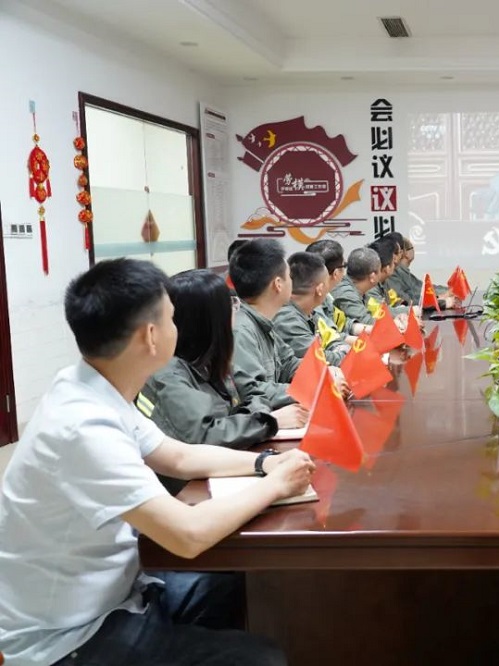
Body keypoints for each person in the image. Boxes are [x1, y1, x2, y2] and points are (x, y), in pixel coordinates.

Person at [0, 258, 314, 666]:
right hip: (69, 637)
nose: (176, 329)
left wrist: (264, 464)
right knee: (261, 658)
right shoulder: (82, 428)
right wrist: (276, 485)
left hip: (117, 592)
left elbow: (179, 456)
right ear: (151, 336)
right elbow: (187, 534)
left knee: (230, 585)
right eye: (171, 318)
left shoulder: (92, 387)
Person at [139, 270, 307, 494]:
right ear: (211, 319)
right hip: (187, 490)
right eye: (230, 306)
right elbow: (205, 436)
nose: (235, 312)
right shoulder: (168, 373)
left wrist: (252, 418)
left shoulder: (211, 357)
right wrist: (269, 421)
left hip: (223, 466)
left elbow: (254, 392)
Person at [229, 239, 301, 409]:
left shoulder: (263, 321)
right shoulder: (241, 330)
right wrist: (308, 390)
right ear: (278, 284)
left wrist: (323, 374)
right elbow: (253, 391)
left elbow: (288, 363)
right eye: (289, 276)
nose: (292, 281)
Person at [273, 252, 352, 367]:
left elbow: (331, 339)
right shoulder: (286, 319)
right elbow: (319, 358)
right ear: (320, 289)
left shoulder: (309, 311)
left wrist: (340, 348)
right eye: (327, 283)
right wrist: (346, 353)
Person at [330, 247, 382, 336]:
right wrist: (394, 324)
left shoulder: (361, 290)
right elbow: (367, 322)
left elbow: (379, 310)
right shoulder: (346, 293)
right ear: (372, 276)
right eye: (380, 270)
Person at [304, 238, 349, 334]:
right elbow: (328, 335)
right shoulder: (312, 300)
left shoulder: (326, 296)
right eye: (344, 265)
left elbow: (340, 323)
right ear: (336, 273)